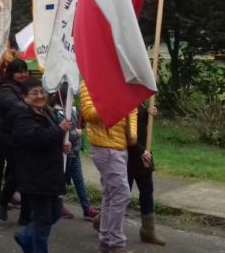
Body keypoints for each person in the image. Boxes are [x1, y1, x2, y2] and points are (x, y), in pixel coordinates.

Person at [12, 77, 71, 253]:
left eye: (41, 92)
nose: (39, 96)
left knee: (55, 212)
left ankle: (25, 237)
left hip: (50, 174)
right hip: (35, 175)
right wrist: (59, 130)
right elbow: (38, 138)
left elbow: (51, 137)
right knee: (43, 219)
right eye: (34, 93)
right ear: (25, 97)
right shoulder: (22, 116)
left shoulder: (47, 111)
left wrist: (62, 144)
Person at [80, 80, 136, 253]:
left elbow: (132, 108)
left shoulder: (123, 80)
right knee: (121, 194)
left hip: (120, 146)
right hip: (104, 146)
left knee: (111, 194)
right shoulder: (90, 81)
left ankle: (106, 240)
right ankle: (115, 242)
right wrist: (113, 101)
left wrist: (132, 133)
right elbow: (89, 114)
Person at [54, 84, 98, 222]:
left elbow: (81, 124)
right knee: (61, 180)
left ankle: (87, 208)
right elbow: (63, 134)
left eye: (73, 97)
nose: (73, 100)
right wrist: (76, 134)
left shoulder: (74, 110)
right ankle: (58, 205)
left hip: (75, 152)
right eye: (70, 97)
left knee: (79, 180)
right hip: (63, 154)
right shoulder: (58, 114)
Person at [0, 59, 31, 223]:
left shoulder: (25, 88)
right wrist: (29, 105)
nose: (23, 74)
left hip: (25, 136)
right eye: (19, 71)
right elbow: (14, 106)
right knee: (20, 172)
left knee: (25, 173)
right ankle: (3, 201)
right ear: (11, 73)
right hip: (10, 137)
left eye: (25, 70)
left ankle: (25, 215)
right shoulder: (5, 90)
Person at [127, 104, 165, 245]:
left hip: (144, 156)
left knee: (147, 192)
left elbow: (142, 127)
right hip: (128, 156)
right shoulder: (126, 104)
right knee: (122, 194)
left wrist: (150, 114)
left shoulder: (141, 104)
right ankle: (103, 222)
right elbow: (127, 134)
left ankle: (148, 231)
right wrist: (141, 151)